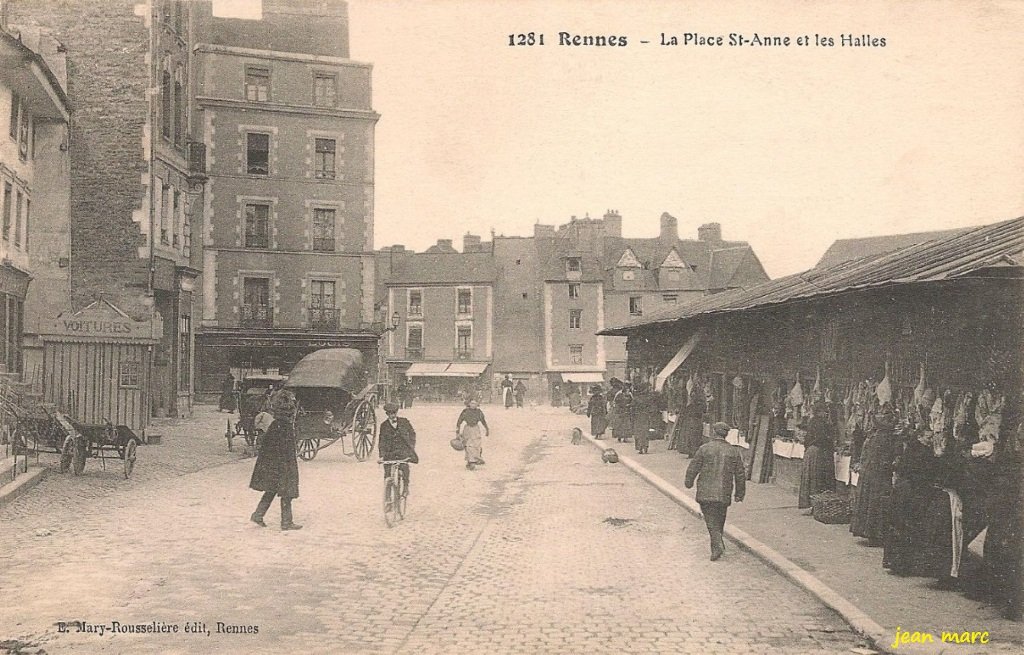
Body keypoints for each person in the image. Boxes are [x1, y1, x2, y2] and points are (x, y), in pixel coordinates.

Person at [685, 421, 746, 561]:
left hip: (705, 491)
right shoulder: (733, 451)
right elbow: (740, 474)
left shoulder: (704, 449)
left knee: (709, 518)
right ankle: (716, 546)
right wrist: (739, 493)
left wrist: (689, 482)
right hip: (724, 491)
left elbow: (694, 467)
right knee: (720, 518)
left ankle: (717, 543)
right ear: (726, 434)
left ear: (714, 433)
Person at [249, 389, 302, 530]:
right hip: (283, 464)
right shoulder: (286, 426)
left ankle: (258, 515)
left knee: (271, 489)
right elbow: (287, 449)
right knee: (287, 492)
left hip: (272, 464)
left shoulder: (275, 425)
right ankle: (286, 522)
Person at [850, 404, 898, 545]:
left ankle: (868, 532)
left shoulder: (874, 437)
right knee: (876, 503)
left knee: (867, 502)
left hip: (868, 474)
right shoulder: (887, 438)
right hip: (879, 476)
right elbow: (888, 460)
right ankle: (874, 534)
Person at [797, 401, 837, 509]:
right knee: (817, 478)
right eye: (824, 412)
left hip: (810, 452)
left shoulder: (812, 421)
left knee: (810, 479)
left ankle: (810, 504)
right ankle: (816, 505)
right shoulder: (821, 423)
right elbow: (822, 438)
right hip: (817, 453)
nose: (826, 414)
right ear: (819, 412)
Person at [378, 402, 418, 494]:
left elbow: (412, 434)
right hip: (390, 453)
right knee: (387, 473)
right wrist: (381, 456)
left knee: (404, 468)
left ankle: (406, 488)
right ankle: (387, 496)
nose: (392, 415)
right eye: (390, 414)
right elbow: (381, 441)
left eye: (394, 413)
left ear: (396, 412)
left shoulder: (404, 422)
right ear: (387, 414)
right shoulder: (383, 425)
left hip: (402, 452)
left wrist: (411, 447)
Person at [457, 397, 490, 470]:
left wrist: (487, 429)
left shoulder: (479, 412)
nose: (473, 405)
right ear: (469, 404)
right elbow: (459, 421)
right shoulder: (465, 411)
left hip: (475, 429)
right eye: (472, 403)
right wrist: (457, 432)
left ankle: (476, 459)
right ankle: (470, 461)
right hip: (467, 429)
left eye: (475, 403)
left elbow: (483, 421)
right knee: (468, 445)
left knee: (476, 444)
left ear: (477, 404)